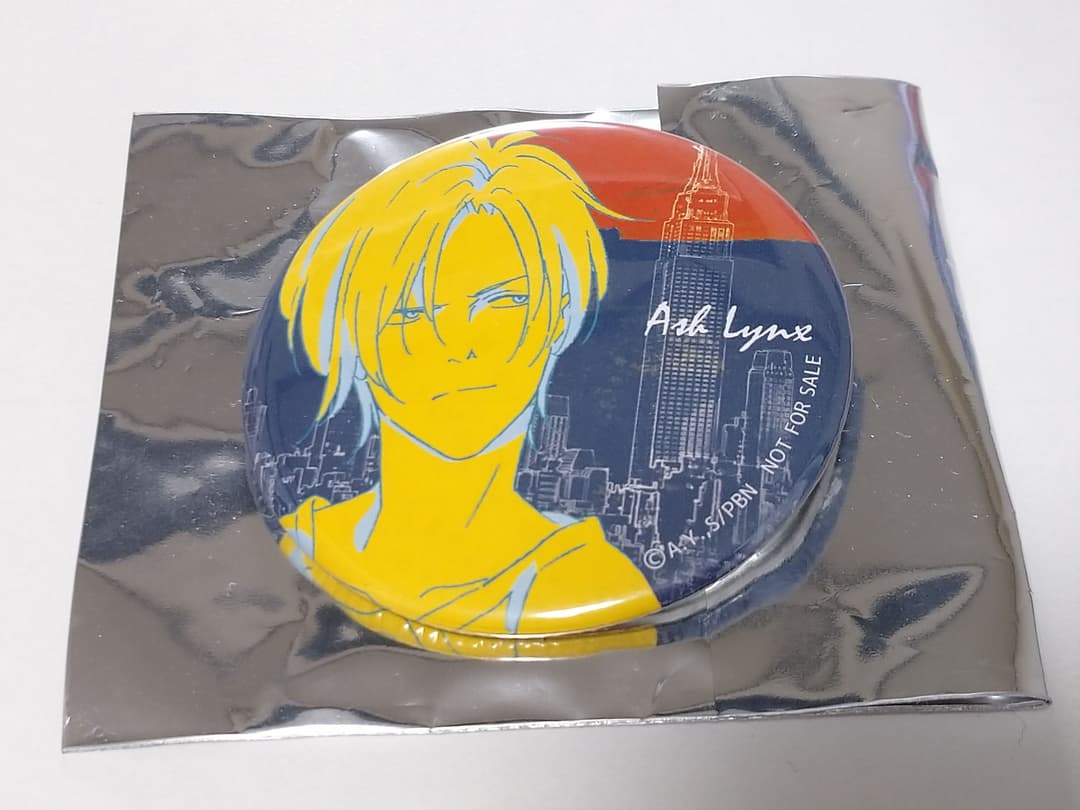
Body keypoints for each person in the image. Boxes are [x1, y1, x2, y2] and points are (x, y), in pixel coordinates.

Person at [277, 130, 659, 644]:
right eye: (409, 313)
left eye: (503, 303)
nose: (458, 346)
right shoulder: (305, 540)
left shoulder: (582, 577)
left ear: (559, 320)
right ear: (353, 339)